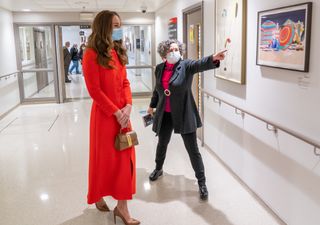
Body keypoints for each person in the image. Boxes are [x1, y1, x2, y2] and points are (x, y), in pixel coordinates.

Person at [147, 39, 226, 201]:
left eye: (176, 49)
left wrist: (213, 58)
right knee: (162, 143)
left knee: (192, 149)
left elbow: (200, 63)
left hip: (183, 113)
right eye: (170, 50)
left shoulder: (186, 66)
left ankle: (202, 182)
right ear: (164, 53)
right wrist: (152, 105)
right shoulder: (160, 69)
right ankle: (158, 168)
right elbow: (157, 90)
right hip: (165, 113)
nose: (174, 52)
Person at [82, 10, 140, 225]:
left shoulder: (118, 51)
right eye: (115, 26)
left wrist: (128, 106)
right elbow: (94, 90)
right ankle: (98, 194)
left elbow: (125, 82)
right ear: (103, 27)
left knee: (126, 161)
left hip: (123, 116)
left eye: (120, 25)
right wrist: (116, 111)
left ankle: (122, 208)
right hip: (106, 117)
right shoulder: (91, 54)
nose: (119, 29)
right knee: (104, 161)